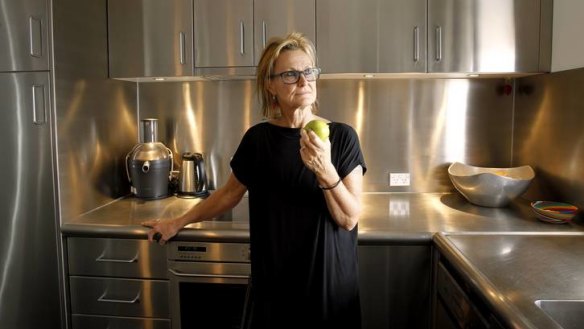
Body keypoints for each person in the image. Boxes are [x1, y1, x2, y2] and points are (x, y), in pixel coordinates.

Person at [142, 32, 367, 329]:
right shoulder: (258, 139)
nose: (303, 81)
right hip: (275, 285)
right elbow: (228, 195)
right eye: (290, 74)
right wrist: (177, 222)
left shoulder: (342, 137)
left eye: (308, 71)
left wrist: (325, 169)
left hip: (328, 285)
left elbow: (349, 218)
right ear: (270, 85)